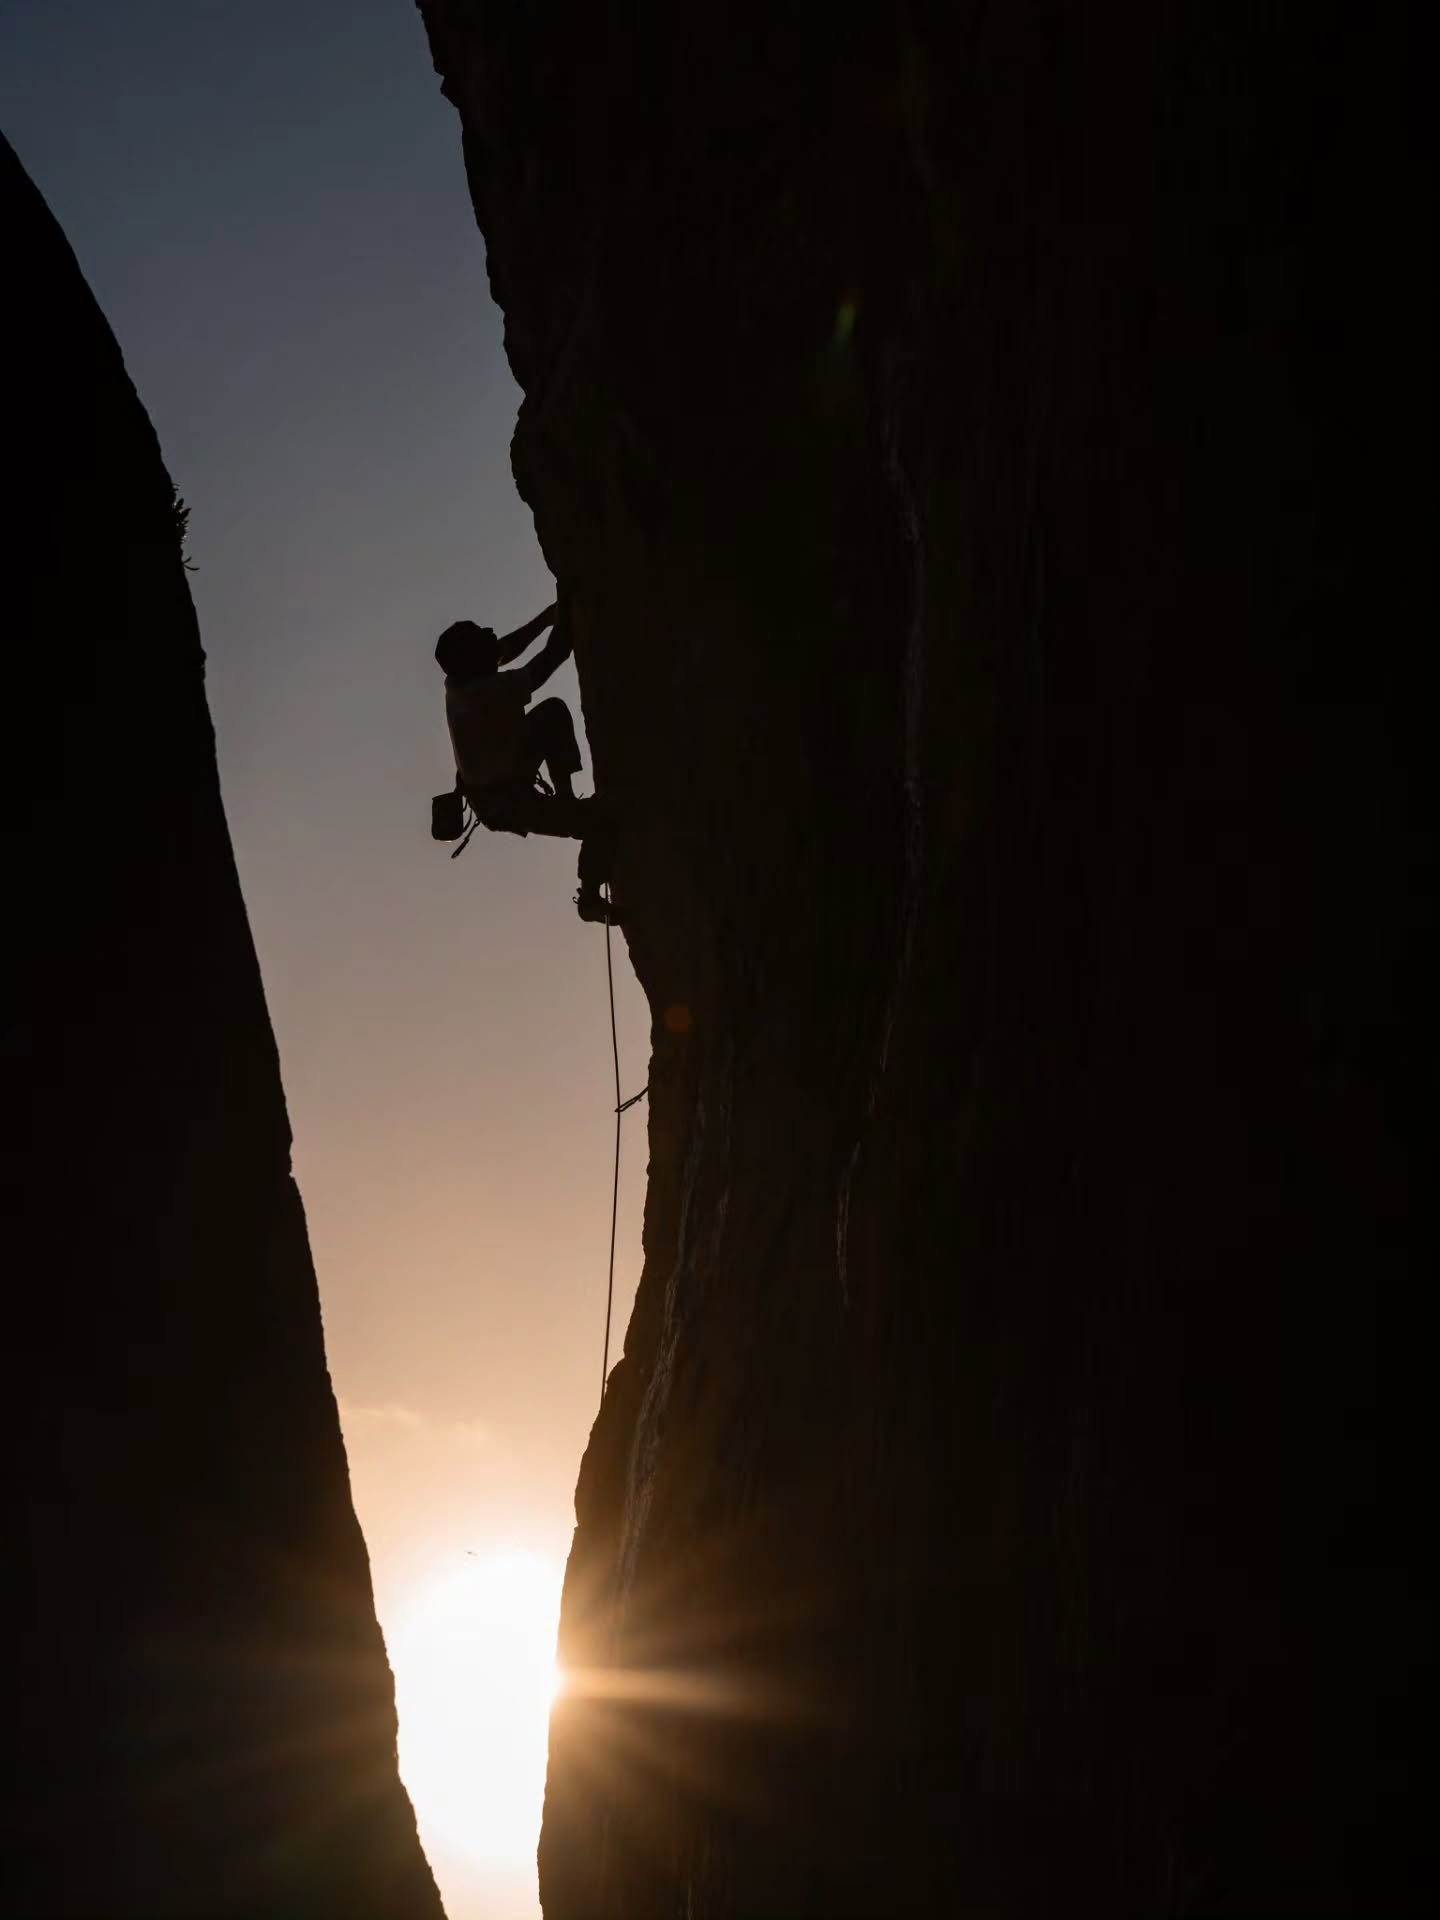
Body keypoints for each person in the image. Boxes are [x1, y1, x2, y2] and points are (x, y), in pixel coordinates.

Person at [435, 593, 614, 921]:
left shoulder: (460, 680)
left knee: (551, 714)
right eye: (481, 635)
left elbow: (505, 648)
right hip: (506, 802)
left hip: (501, 779)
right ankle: (589, 896)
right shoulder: (482, 695)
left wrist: (548, 617)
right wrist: (567, 615)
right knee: (598, 823)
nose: (490, 631)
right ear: (470, 657)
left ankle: (568, 803)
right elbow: (553, 656)